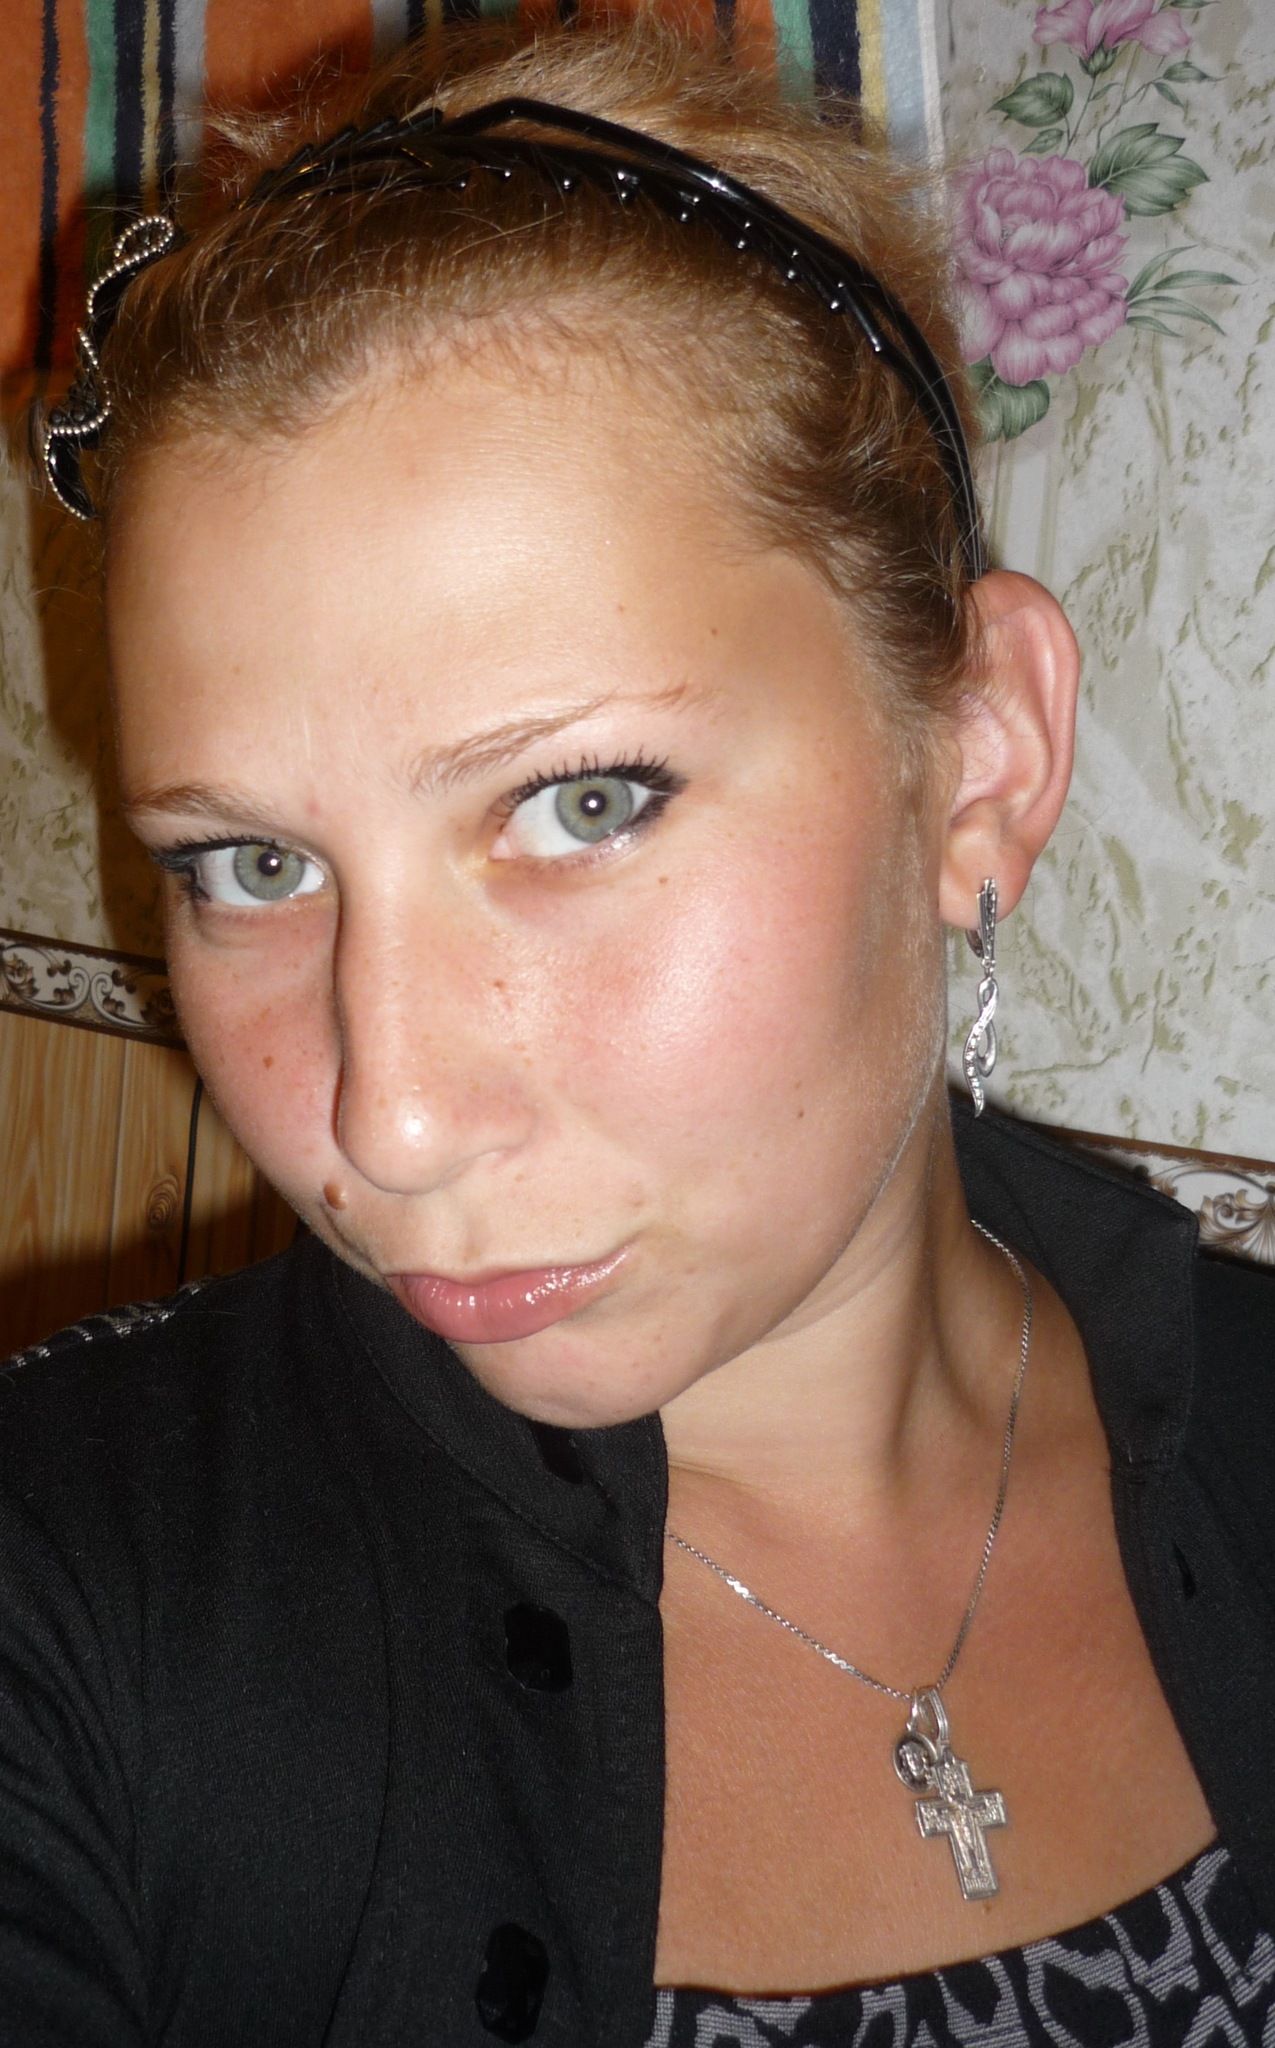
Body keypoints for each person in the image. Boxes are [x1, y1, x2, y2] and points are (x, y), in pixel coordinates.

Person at [11, 16, 1275, 2046]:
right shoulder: (59, 1606)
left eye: (581, 805)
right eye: (250, 863)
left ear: (977, 761)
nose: (392, 1118)